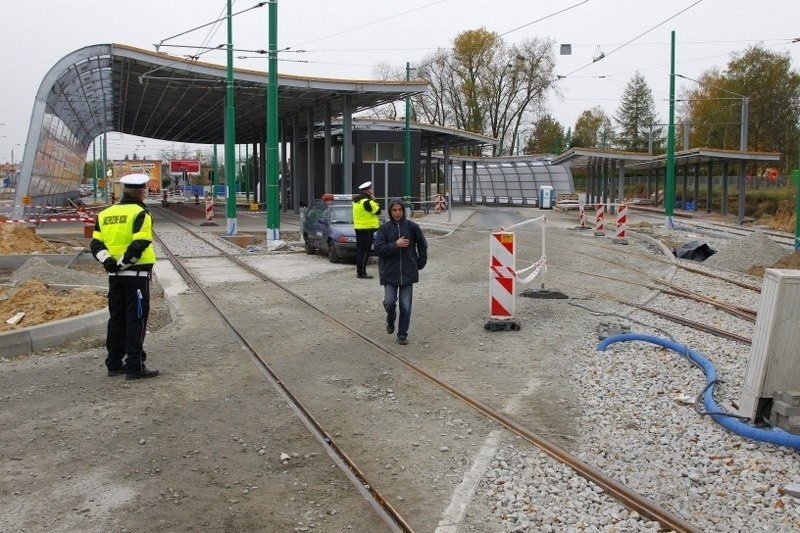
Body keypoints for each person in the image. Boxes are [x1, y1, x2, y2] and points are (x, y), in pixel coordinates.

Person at [90, 173, 159, 379]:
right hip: (135, 276)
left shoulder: (104, 214)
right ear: (140, 192)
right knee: (136, 318)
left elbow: (95, 244)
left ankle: (113, 363)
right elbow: (141, 242)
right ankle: (134, 365)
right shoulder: (141, 214)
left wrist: (108, 261)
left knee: (117, 319)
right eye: (144, 191)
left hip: (115, 277)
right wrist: (122, 263)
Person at [373, 198, 428, 345]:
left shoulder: (412, 227)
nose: (397, 213)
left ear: (403, 211)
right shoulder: (384, 229)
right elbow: (378, 248)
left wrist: (420, 263)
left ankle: (402, 334)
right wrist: (395, 245)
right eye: (394, 210)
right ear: (390, 212)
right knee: (390, 302)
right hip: (389, 272)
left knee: (406, 305)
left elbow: (422, 245)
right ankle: (390, 319)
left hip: (408, 273)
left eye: (400, 210)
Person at [352, 181, 382, 279]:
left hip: (359, 228)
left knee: (360, 250)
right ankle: (362, 273)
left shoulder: (356, 201)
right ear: (368, 191)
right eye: (371, 189)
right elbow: (378, 211)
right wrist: (374, 200)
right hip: (366, 229)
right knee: (365, 251)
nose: (372, 191)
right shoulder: (367, 202)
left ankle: (360, 271)